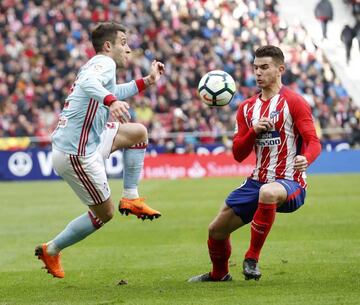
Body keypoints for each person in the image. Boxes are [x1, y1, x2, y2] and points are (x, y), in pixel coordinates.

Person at [35, 22, 165, 278]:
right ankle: (52, 249)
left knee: (138, 133)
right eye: (124, 43)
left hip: (90, 140)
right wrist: (112, 101)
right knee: (104, 215)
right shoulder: (103, 63)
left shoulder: (102, 67)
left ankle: (131, 196)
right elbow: (88, 83)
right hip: (77, 153)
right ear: (108, 46)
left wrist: (148, 81)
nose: (128, 49)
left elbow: (112, 90)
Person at [188, 45, 321, 282]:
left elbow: (313, 142)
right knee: (216, 230)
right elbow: (238, 154)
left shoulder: (294, 102)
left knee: (268, 192)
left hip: (290, 182)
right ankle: (219, 275)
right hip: (256, 181)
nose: (258, 73)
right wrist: (252, 131)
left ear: (280, 69)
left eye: (264, 67)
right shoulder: (247, 108)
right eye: (255, 68)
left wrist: (305, 158)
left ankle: (252, 258)